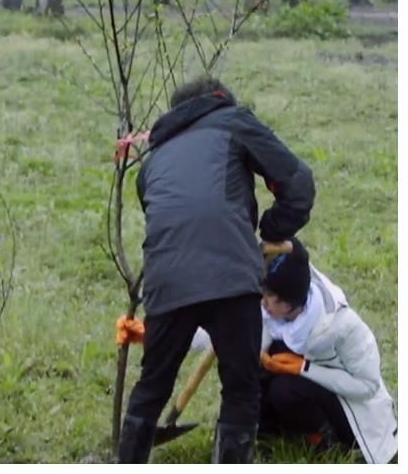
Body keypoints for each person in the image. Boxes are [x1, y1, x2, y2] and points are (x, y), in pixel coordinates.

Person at [115, 76, 316, 463]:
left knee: (151, 388)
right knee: (241, 390)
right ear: (219, 100)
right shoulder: (233, 120)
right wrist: (273, 229)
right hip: (232, 280)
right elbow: (297, 180)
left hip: (165, 280)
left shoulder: (153, 160)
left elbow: (158, 210)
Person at [258, 237, 397, 464]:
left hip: (352, 411)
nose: (263, 302)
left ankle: (326, 439)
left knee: (284, 390)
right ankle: (267, 434)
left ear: (289, 304)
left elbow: (366, 386)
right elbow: (263, 324)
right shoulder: (277, 308)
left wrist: (303, 368)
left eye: (269, 298)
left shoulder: (343, 326)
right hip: (316, 383)